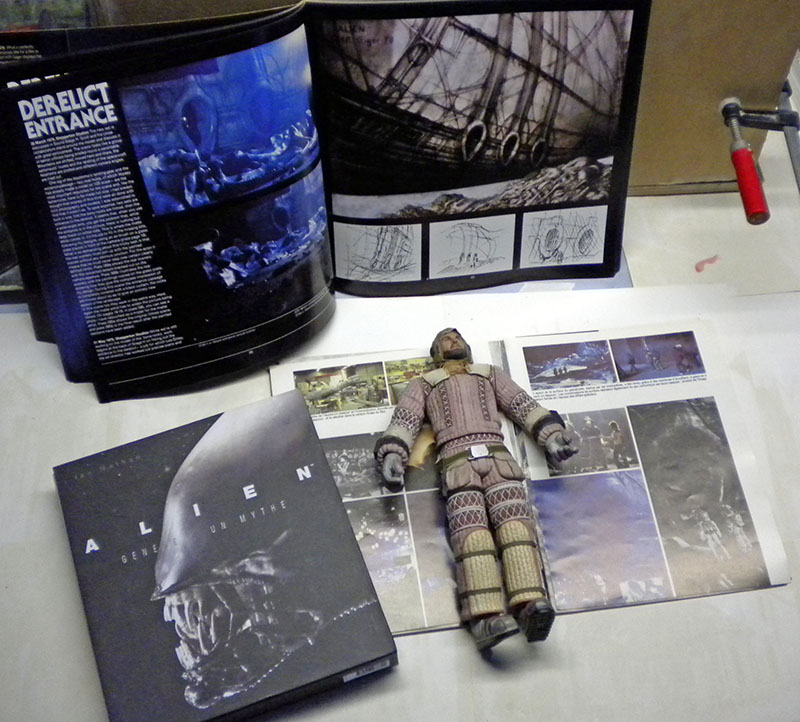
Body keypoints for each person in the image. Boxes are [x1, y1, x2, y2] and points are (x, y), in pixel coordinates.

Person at [374, 328, 577, 650]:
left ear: (468, 347)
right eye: (446, 339)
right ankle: (485, 617)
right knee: (472, 537)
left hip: (499, 460)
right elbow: (405, 419)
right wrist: (393, 453)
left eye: (457, 337)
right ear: (435, 352)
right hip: (458, 465)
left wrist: (551, 436)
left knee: (516, 528)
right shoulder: (424, 384)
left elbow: (523, 405)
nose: (453, 341)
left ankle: (530, 604)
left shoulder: (489, 374)